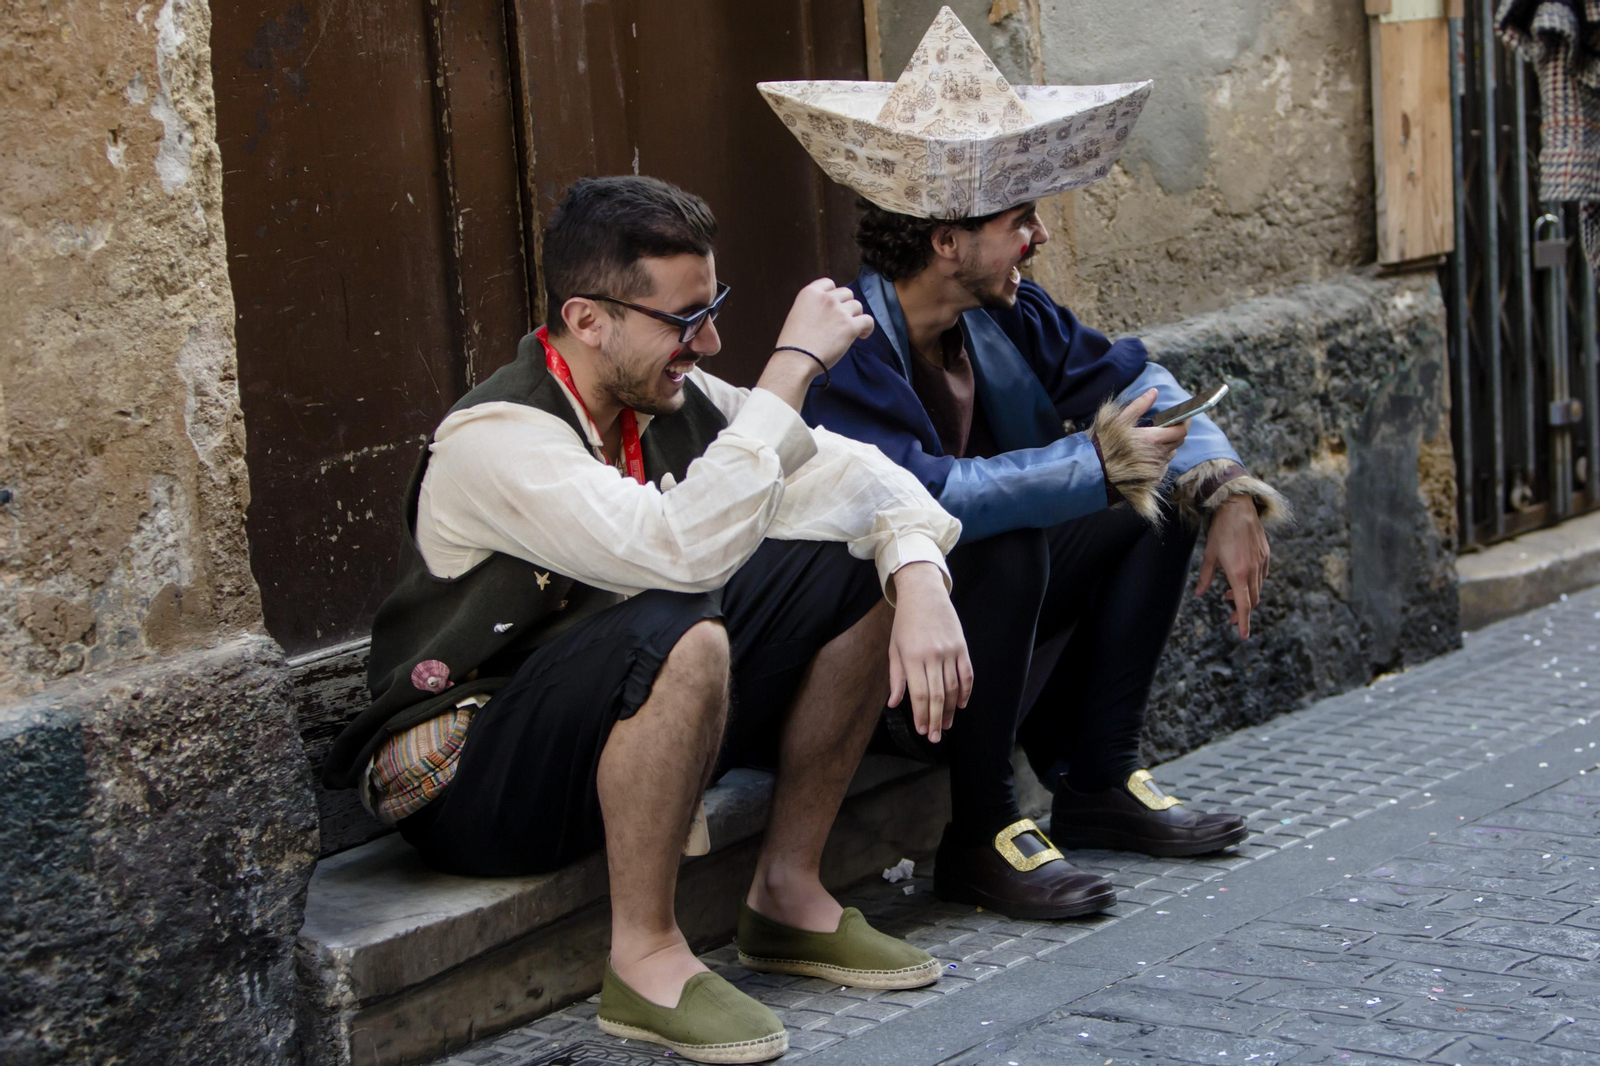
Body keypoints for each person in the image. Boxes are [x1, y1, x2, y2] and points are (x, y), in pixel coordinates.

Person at [320, 176, 973, 1064]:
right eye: (683, 320)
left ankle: (786, 894)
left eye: (715, 308)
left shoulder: (678, 400)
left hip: (615, 736)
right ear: (590, 321)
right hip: (477, 780)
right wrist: (792, 369)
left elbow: (852, 475)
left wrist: (920, 575)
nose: (706, 343)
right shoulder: (498, 440)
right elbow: (682, 554)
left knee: (852, 563)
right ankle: (647, 957)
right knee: (683, 623)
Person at [761, 7, 1288, 922]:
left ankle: (1096, 779)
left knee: (1147, 506)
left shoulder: (1007, 311)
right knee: (1002, 543)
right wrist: (1096, 463)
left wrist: (1228, 485)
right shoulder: (849, 345)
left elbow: (1136, 378)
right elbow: (921, 495)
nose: (1036, 237)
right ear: (945, 238)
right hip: (877, 659)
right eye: (1019, 219)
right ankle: (980, 834)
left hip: (984, 636)